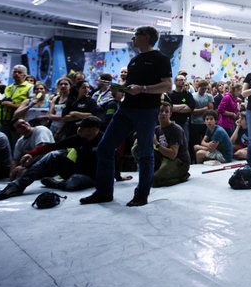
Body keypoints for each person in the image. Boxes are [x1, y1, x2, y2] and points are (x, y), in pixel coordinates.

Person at [81, 26, 172, 207]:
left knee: (145, 153)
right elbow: (130, 87)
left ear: (146, 37)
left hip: (147, 111)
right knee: (105, 147)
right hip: (126, 109)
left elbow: (167, 86)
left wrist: (143, 89)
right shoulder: (134, 61)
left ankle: (142, 194)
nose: (133, 38)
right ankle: (104, 191)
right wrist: (120, 90)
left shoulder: (160, 59)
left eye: (136, 35)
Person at [0, 116, 105, 199]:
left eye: (82, 127)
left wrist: (117, 177)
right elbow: (52, 147)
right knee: (54, 155)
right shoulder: (79, 138)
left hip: (93, 176)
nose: (79, 129)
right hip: (76, 169)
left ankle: (58, 184)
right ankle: (17, 185)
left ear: (93, 129)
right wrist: (32, 153)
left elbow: (113, 160)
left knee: (74, 182)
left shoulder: (104, 140)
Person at [131, 102, 190, 187]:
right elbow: (138, 136)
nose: (163, 114)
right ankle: (151, 170)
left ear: (170, 114)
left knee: (154, 181)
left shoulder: (176, 129)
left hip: (179, 161)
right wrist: (139, 140)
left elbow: (173, 155)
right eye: (161, 111)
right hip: (163, 158)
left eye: (166, 112)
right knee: (136, 148)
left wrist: (156, 143)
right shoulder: (157, 129)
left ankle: (182, 176)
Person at [0, 65, 34, 145]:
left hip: (18, 121)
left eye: (19, 72)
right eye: (15, 72)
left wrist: (12, 105)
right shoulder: (8, 87)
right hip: (4, 120)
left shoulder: (30, 87)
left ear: (24, 75)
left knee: (15, 143)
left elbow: (30, 105)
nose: (16, 74)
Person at [167, 73, 194, 144]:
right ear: (175, 81)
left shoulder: (188, 95)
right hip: (172, 122)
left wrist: (174, 108)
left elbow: (190, 108)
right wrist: (183, 105)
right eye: (181, 80)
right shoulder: (170, 94)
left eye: (184, 80)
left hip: (184, 122)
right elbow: (169, 108)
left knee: (185, 142)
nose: (183, 81)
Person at [189, 80, 214, 155]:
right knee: (195, 142)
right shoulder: (192, 96)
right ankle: (195, 157)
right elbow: (191, 111)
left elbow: (210, 110)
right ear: (198, 87)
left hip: (205, 124)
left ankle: (204, 156)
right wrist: (203, 109)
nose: (204, 90)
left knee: (206, 141)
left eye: (205, 89)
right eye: (202, 89)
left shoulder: (209, 96)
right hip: (195, 123)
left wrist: (199, 111)